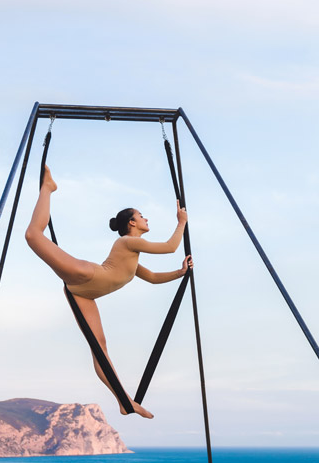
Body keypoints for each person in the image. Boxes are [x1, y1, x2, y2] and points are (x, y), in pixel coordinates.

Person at [25, 165, 193, 419]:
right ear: (132, 223)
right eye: (142, 215)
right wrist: (181, 222)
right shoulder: (128, 241)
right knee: (33, 236)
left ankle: (124, 401)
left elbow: (153, 278)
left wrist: (179, 273)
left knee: (100, 349)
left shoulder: (132, 257)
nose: (146, 219)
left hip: (84, 294)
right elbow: (171, 247)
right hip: (85, 275)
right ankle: (48, 188)